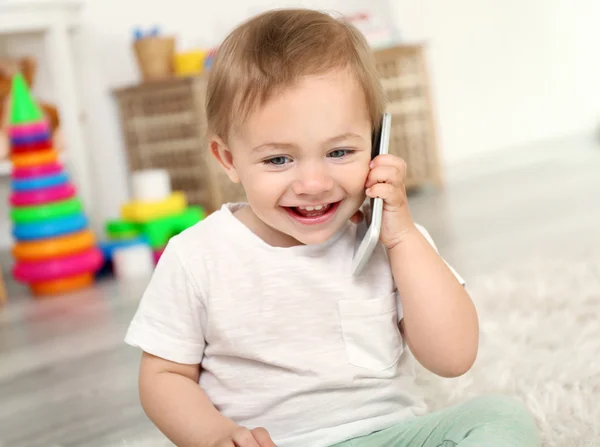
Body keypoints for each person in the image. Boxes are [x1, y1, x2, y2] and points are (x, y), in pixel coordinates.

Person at [124, 8, 540, 447]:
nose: (313, 184)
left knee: (500, 416)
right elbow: (164, 375)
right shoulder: (197, 256)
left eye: (340, 152)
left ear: (377, 143)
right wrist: (215, 436)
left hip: (388, 436)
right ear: (228, 159)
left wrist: (402, 238)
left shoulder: (393, 240)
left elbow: (454, 357)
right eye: (278, 160)